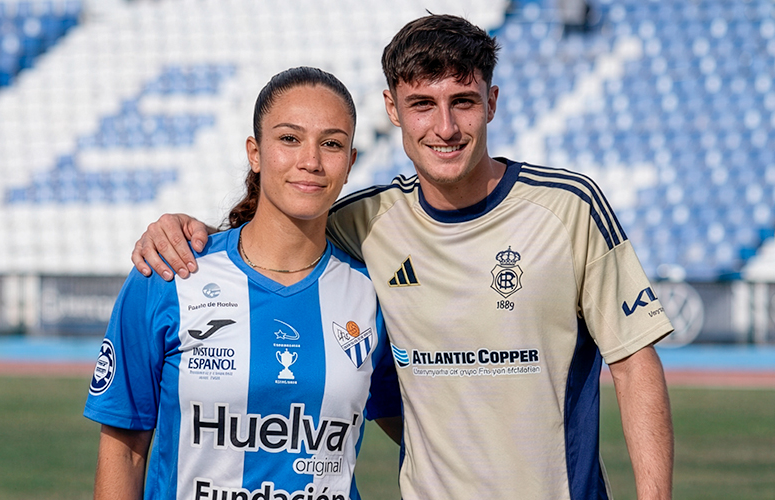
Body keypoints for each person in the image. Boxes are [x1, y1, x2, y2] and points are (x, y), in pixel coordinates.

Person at [131, 15, 675, 500]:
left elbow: (634, 364)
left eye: (463, 102)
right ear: (393, 109)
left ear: (491, 102)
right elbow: (272, 235)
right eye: (422, 105)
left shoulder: (570, 208)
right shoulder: (365, 222)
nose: (445, 127)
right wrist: (191, 232)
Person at [84, 66, 401, 500]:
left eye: (331, 144)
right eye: (289, 139)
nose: (310, 160)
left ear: (350, 163)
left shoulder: (373, 294)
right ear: (255, 153)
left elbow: (427, 436)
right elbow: (124, 453)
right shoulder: (169, 274)